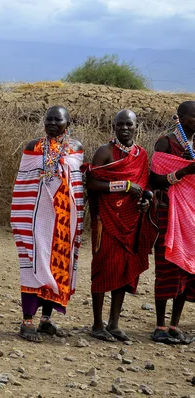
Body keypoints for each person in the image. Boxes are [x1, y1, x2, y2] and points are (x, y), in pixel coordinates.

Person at [10, 105, 84, 343]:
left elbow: (77, 184)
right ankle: (27, 321)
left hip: (64, 220)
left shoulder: (76, 148)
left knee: (57, 265)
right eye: (49, 119)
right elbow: (24, 182)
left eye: (58, 120)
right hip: (35, 216)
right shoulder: (33, 147)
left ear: (67, 124)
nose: (53, 123)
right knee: (33, 263)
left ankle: (46, 320)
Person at [85, 109, 156, 342]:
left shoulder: (141, 154)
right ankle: (97, 324)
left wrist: (146, 200)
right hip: (106, 219)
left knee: (124, 270)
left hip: (131, 219)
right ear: (113, 127)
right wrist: (123, 185)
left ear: (137, 126)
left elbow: (143, 185)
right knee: (102, 267)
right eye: (119, 125)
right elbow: (93, 183)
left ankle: (114, 323)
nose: (124, 128)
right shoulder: (105, 152)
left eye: (129, 124)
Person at [149, 101, 195, 344]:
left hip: (191, 215)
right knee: (167, 267)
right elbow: (155, 180)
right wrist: (185, 171)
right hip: (168, 211)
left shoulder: (193, 145)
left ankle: (175, 325)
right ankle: (159, 326)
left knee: (186, 269)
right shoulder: (166, 142)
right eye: (194, 117)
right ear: (182, 118)